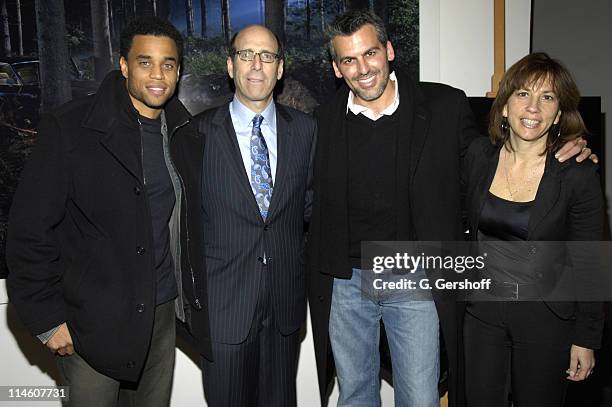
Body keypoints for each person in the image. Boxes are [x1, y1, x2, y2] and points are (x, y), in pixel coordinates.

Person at [307, 10, 594, 407]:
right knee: (354, 395)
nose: (363, 68)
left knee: (421, 398)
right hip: (346, 279)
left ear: (389, 51)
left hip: (414, 277)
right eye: (348, 60)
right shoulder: (320, 123)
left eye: (370, 53)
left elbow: (499, 153)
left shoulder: (444, 105)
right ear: (337, 69)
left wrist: (570, 143)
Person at [6, 17, 211, 406]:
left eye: (168, 64)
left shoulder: (184, 133)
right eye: (145, 61)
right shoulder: (71, 129)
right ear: (123, 65)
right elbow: (28, 232)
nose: (157, 74)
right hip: (92, 320)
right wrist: (47, 320)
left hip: (161, 314)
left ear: (179, 71)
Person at [462, 52, 604, 406]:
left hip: (546, 317)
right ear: (505, 106)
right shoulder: (479, 156)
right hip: (481, 313)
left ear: (559, 113)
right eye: (523, 94)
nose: (533, 109)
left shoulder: (578, 174)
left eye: (547, 97)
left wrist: (586, 338)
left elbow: (590, 262)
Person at [193, 25, 316, 407]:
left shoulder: (307, 132)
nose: (257, 65)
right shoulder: (197, 133)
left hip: (284, 305)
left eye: (267, 56)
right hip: (224, 307)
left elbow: (310, 208)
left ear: (280, 69)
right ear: (231, 65)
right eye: (246, 55)